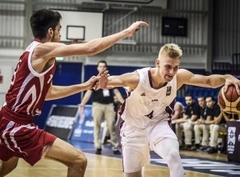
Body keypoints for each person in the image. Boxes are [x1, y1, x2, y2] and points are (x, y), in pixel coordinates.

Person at [0, 8, 148, 177]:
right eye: (59, 29)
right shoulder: (42, 50)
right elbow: (91, 48)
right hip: (17, 125)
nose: (60, 34)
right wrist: (127, 32)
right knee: (79, 160)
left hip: (9, 119)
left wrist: (85, 86)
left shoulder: (35, 52)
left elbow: (48, 93)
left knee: (7, 168)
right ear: (50, 32)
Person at [97, 43, 240, 177]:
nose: (172, 72)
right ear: (157, 63)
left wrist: (226, 77)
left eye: (176, 67)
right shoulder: (138, 78)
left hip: (159, 124)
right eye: (168, 67)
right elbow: (117, 80)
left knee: (173, 155)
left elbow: (207, 81)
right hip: (133, 128)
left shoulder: (178, 77)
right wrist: (104, 83)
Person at [79, 60, 124, 155]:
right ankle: (98, 147)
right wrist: (82, 103)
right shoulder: (94, 80)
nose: (102, 68)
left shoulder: (110, 79)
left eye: (104, 66)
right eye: (100, 66)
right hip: (97, 105)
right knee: (97, 126)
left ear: (106, 68)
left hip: (109, 105)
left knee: (111, 125)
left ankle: (115, 147)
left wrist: (124, 103)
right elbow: (88, 93)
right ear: (97, 68)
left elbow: (117, 92)